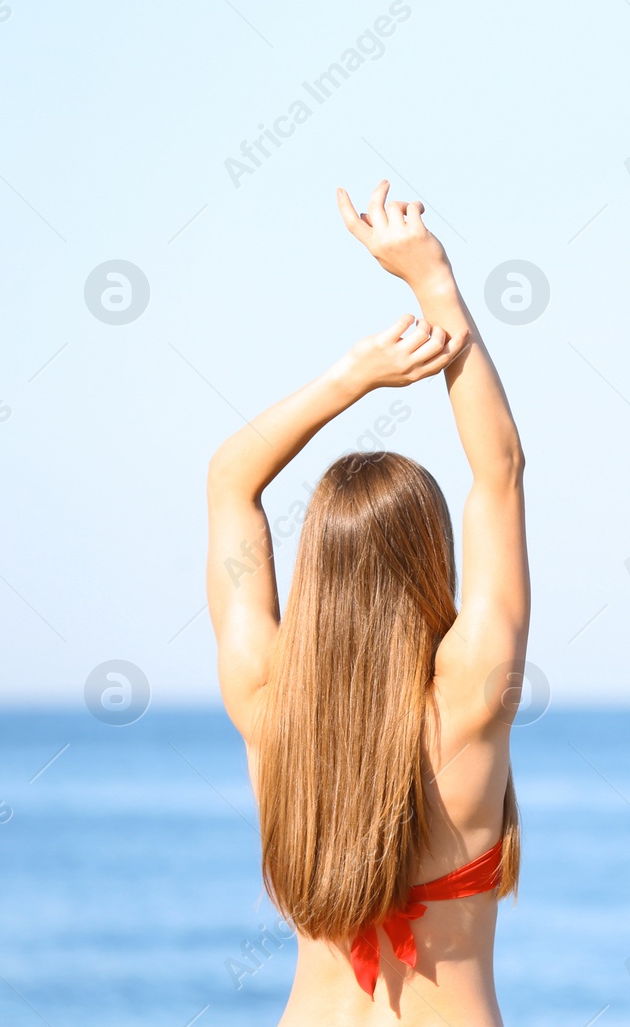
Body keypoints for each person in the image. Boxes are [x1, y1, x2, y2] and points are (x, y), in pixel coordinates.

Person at [205, 181, 530, 1025]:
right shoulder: (467, 697)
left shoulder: (268, 710)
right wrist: (434, 283)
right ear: (431, 562)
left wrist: (355, 375)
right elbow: (499, 471)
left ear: (315, 568)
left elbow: (231, 484)